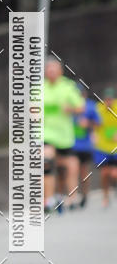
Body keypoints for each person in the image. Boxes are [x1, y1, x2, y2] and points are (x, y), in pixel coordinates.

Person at [43, 57, 84, 212]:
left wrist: (71, 109)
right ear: (46, 72)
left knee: (70, 167)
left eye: (55, 69)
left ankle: (72, 197)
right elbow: (31, 108)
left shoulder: (68, 87)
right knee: (45, 161)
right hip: (46, 133)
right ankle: (47, 200)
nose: (52, 71)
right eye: (49, 69)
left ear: (60, 71)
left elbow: (80, 108)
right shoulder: (39, 88)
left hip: (64, 136)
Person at [72, 84, 100, 208]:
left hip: (85, 145)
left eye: (81, 94)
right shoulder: (70, 106)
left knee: (84, 171)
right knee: (72, 171)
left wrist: (87, 124)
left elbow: (98, 124)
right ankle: (71, 196)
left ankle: (84, 195)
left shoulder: (90, 106)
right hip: (70, 144)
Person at [93, 87, 117, 208]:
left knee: (114, 173)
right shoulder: (98, 109)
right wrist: (93, 134)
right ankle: (105, 196)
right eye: (106, 99)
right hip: (102, 146)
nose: (108, 102)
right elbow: (92, 123)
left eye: (110, 99)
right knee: (104, 174)